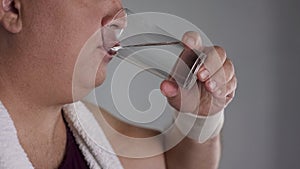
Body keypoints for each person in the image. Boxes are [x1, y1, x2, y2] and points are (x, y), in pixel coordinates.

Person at [0, 0, 237, 169]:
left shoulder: (88, 134)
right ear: (12, 7)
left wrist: (201, 116)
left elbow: (174, 165)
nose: (121, 18)